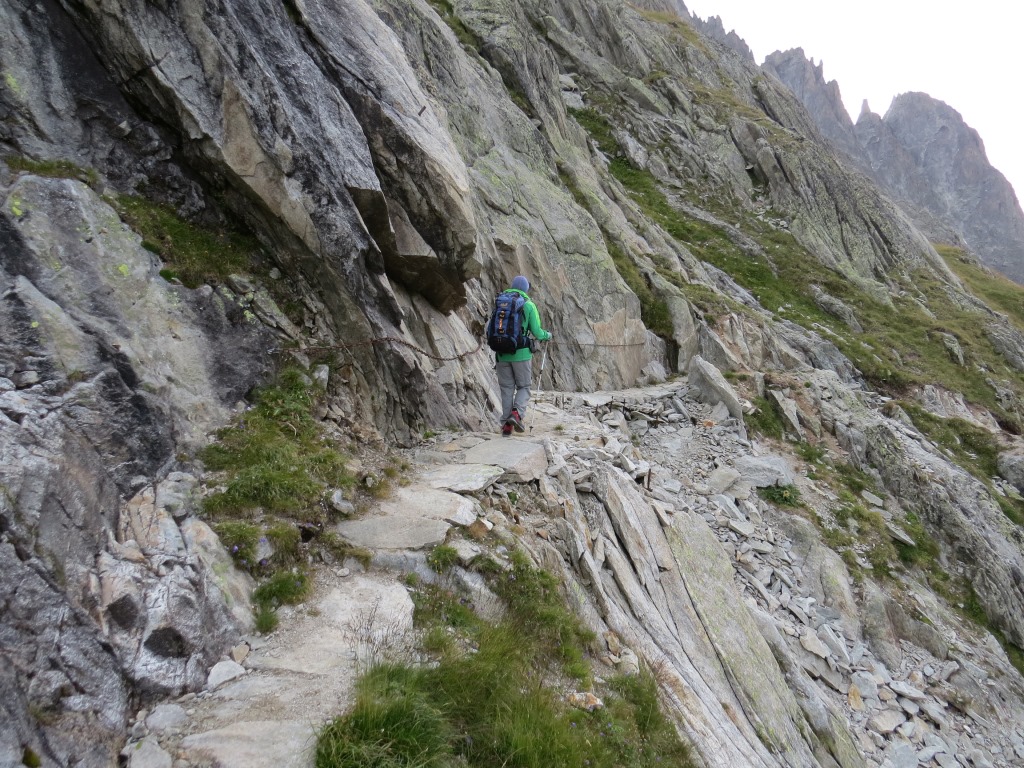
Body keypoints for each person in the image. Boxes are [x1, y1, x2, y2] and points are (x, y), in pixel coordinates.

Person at [496, 275, 551, 436]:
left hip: (501, 353)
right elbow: (537, 332)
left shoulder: (500, 302)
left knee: (506, 388)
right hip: (521, 354)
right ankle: (516, 414)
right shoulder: (528, 305)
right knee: (524, 386)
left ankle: (506, 426)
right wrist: (548, 335)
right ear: (526, 289)